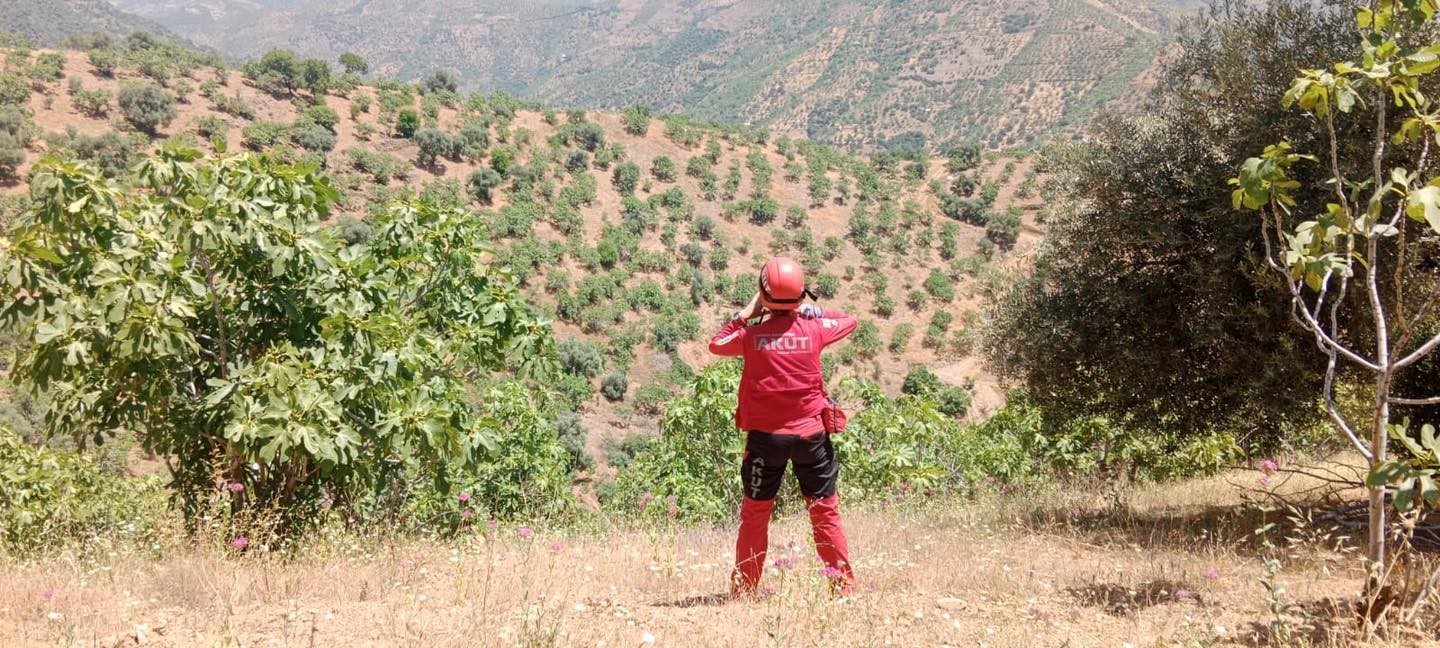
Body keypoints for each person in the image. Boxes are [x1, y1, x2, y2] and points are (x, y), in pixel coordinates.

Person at [707, 256, 858, 599]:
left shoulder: (750, 336)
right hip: (812, 440)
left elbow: (717, 343)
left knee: (756, 515)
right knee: (824, 512)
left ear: (764, 295)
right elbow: (849, 320)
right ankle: (843, 589)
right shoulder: (815, 330)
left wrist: (748, 310)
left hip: (766, 442)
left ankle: (744, 592)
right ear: (801, 294)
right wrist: (813, 312)